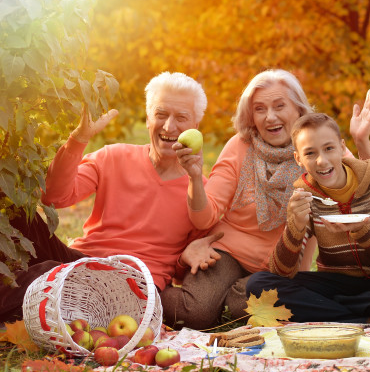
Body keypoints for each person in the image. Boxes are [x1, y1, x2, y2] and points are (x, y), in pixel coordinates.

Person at [161, 71, 370, 329]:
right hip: (226, 252)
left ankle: (228, 295)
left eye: (279, 106)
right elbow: (205, 216)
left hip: (280, 267)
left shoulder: (318, 146)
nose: (270, 117)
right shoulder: (239, 146)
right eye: (260, 109)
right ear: (251, 116)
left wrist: (362, 141)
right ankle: (145, 297)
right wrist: (196, 178)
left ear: (298, 110)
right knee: (195, 314)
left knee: (242, 303)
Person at [0, 72, 220, 322]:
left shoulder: (200, 190)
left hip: (128, 286)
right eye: (161, 115)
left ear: (195, 127)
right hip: (80, 261)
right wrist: (79, 139)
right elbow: (54, 196)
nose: (169, 127)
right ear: (148, 119)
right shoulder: (113, 156)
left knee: (49, 273)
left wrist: (187, 255)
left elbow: (182, 269)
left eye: (181, 117)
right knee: (12, 208)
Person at [246, 113, 370, 323]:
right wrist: (295, 226)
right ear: (298, 159)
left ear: (341, 147)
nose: (322, 161)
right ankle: (369, 318)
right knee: (258, 285)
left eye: (329, 148)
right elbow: (281, 273)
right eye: (310, 153)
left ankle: (339, 314)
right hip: (334, 282)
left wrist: (365, 233)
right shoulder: (304, 196)